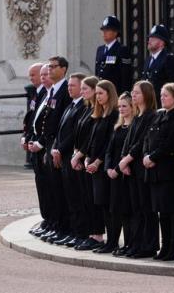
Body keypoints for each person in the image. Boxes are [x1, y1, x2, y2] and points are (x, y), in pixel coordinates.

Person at [30, 57, 72, 244]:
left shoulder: (64, 90)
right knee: (51, 188)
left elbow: (61, 122)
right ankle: (55, 224)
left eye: (53, 67)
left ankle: (63, 227)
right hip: (47, 144)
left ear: (63, 69)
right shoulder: (52, 91)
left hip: (55, 144)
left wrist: (49, 143)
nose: (50, 71)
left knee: (59, 190)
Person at [144, 83, 174, 261]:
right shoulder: (160, 115)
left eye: (166, 95)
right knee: (161, 211)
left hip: (168, 169)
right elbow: (148, 138)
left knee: (172, 209)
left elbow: (170, 142)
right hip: (154, 170)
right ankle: (165, 245)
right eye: (161, 95)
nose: (162, 98)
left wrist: (153, 156)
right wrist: (146, 154)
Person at [118, 81, 159, 258]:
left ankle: (147, 245)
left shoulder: (151, 115)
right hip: (131, 168)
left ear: (147, 95)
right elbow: (128, 141)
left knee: (145, 208)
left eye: (137, 93)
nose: (133, 96)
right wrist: (123, 159)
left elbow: (142, 141)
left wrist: (127, 159)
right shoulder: (138, 115)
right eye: (133, 93)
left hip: (141, 168)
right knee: (135, 208)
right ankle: (135, 242)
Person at [49, 73, 87, 247]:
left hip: (71, 157)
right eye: (69, 85)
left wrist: (61, 149)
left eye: (73, 85)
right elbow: (59, 130)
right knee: (68, 198)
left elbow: (74, 135)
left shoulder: (82, 107)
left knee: (77, 198)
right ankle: (72, 231)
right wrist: (55, 148)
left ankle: (79, 232)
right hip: (62, 157)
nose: (69, 88)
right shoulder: (70, 106)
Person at [86, 80, 119, 254]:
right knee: (100, 203)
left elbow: (109, 143)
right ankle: (108, 241)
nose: (97, 97)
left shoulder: (113, 114)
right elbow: (93, 141)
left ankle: (113, 241)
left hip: (104, 165)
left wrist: (97, 161)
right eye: (96, 93)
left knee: (108, 204)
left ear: (109, 94)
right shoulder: (99, 113)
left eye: (101, 93)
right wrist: (87, 159)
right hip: (94, 165)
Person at [71, 76, 102, 250]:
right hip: (81, 158)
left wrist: (81, 154)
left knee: (92, 199)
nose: (82, 92)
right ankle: (89, 233)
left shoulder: (96, 111)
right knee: (84, 198)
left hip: (89, 159)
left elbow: (91, 138)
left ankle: (97, 234)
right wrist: (76, 153)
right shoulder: (85, 108)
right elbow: (79, 133)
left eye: (85, 89)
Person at [105, 92, 135, 256]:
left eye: (125, 106)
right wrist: (109, 168)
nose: (121, 109)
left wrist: (117, 169)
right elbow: (109, 150)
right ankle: (118, 242)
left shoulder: (134, 126)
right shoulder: (117, 127)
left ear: (132, 107)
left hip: (125, 173)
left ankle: (130, 243)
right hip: (114, 174)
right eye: (119, 106)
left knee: (127, 210)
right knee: (117, 210)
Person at [27, 64, 51, 237]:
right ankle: (48, 220)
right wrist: (27, 137)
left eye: (44, 74)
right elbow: (32, 118)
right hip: (36, 143)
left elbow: (51, 123)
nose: (41, 78)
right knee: (42, 186)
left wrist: (40, 143)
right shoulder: (40, 93)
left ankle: (53, 222)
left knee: (49, 188)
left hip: (45, 146)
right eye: (39, 75)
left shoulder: (49, 93)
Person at [140, 24, 174, 104]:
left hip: (160, 104)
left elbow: (172, 86)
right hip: (147, 103)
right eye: (149, 38)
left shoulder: (168, 59)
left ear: (162, 42)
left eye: (153, 38)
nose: (149, 40)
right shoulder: (148, 60)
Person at [95, 15, 133, 94]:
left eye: (107, 30)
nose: (104, 33)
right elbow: (97, 73)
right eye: (103, 30)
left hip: (115, 93)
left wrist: (124, 95)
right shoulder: (100, 50)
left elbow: (126, 76)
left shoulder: (121, 50)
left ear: (115, 32)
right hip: (101, 93)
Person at [22, 63, 44, 170]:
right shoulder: (36, 92)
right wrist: (25, 136)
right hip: (33, 139)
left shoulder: (45, 93)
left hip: (40, 141)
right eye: (30, 75)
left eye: (33, 75)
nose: (31, 78)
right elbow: (30, 117)